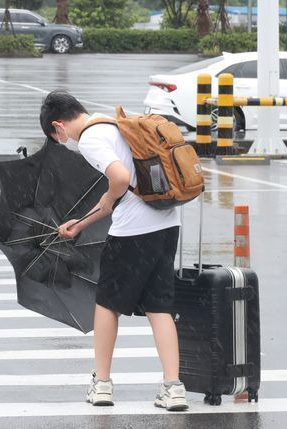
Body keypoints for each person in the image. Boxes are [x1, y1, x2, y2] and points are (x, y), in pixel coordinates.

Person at [39, 90, 188, 411]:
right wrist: (81, 222)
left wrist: (108, 198)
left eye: (58, 138)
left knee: (107, 304)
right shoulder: (113, 124)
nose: (64, 143)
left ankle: (102, 384)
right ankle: (173, 387)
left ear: (59, 125)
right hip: (167, 222)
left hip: (132, 230)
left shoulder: (89, 140)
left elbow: (120, 178)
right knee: (159, 306)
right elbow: (126, 183)